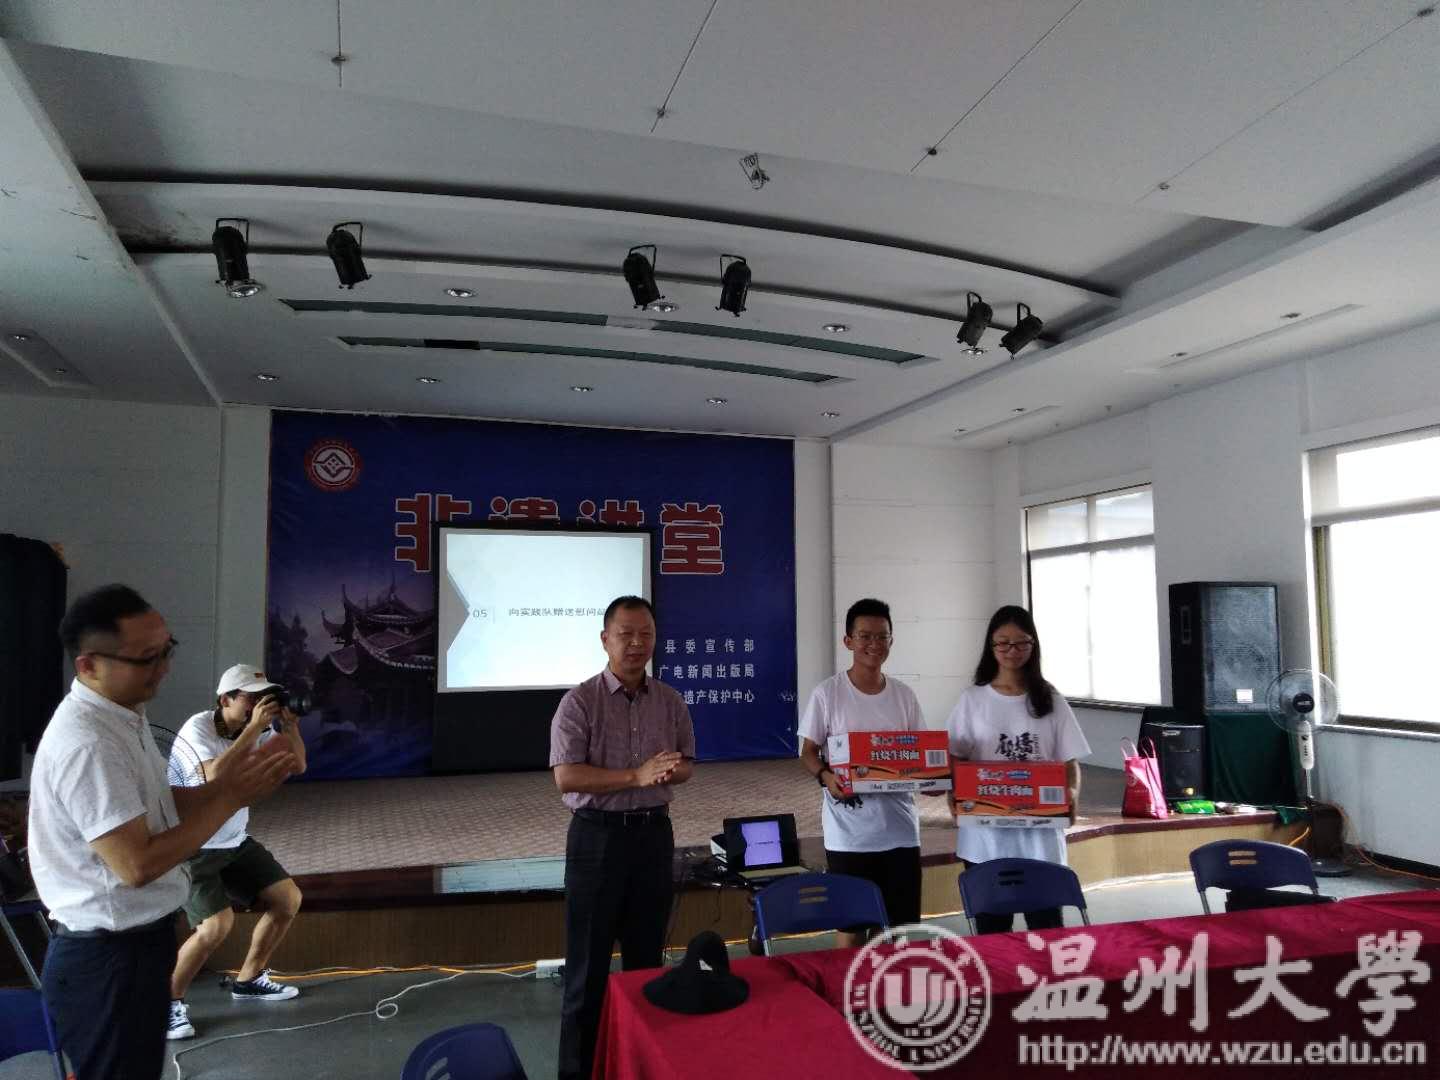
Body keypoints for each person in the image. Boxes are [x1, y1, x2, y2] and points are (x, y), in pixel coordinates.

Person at [28, 585, 297, 1080]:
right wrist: (230, 799)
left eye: (167, 650)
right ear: (88, 665)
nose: (164, 667)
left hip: (137, 944)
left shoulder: (123, 717)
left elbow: (159, 807)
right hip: (108, 956)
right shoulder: (89, 743)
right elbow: (137, 864)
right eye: (146, 658)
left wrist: (225, 790)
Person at [549, 596, 695, 1080]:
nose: (637, 644)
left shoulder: (670, 701)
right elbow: (567, 777)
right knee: (586, 972)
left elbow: (687, 764)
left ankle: (637, 1066)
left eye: (645, 634)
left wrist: (671, 771)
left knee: (646, 965)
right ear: (605, 639)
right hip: (597, 840)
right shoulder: (579, 702)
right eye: (626, 634)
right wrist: (636, 776)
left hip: (653, 838)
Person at [165, 664, 309, 1040]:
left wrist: (289, 728)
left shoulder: (254, 729)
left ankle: (249, 979)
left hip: (233, 840)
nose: (259, 705)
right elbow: (212, 776)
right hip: (194, 845)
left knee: (288, 899)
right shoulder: (198, 728)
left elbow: (298, 764)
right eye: (251, 698)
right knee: (215, 926)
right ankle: (167, 1003)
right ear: (225, 699)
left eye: (264, 697)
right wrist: (253, 731)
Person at [946, 604, 1091, 933]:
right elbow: (954, 756)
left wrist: (1072, 793)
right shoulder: (973, 700)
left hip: (1040, 839)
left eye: (1021, 642)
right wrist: (952, 795)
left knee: (1046, 931)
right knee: (993, 935)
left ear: (1033, 645)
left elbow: (1069, 761)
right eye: (1003, 643)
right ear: (991, 646)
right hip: (986, 839)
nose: (1012, 650)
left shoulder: (1050, 699)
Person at [797, 598, 925, 947]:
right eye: (865, 636)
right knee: (851, 929)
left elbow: (919, 757)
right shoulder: (828, 694)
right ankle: (849, 985)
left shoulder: (904, 696)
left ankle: (891, 984)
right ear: (848, 641)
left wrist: (931, 779)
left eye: (882, 637)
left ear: (891, 641)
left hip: (900, 831)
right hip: (849, 835)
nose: (874, 644)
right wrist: (826, 777)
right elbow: (808, 752)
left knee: (897, 933)